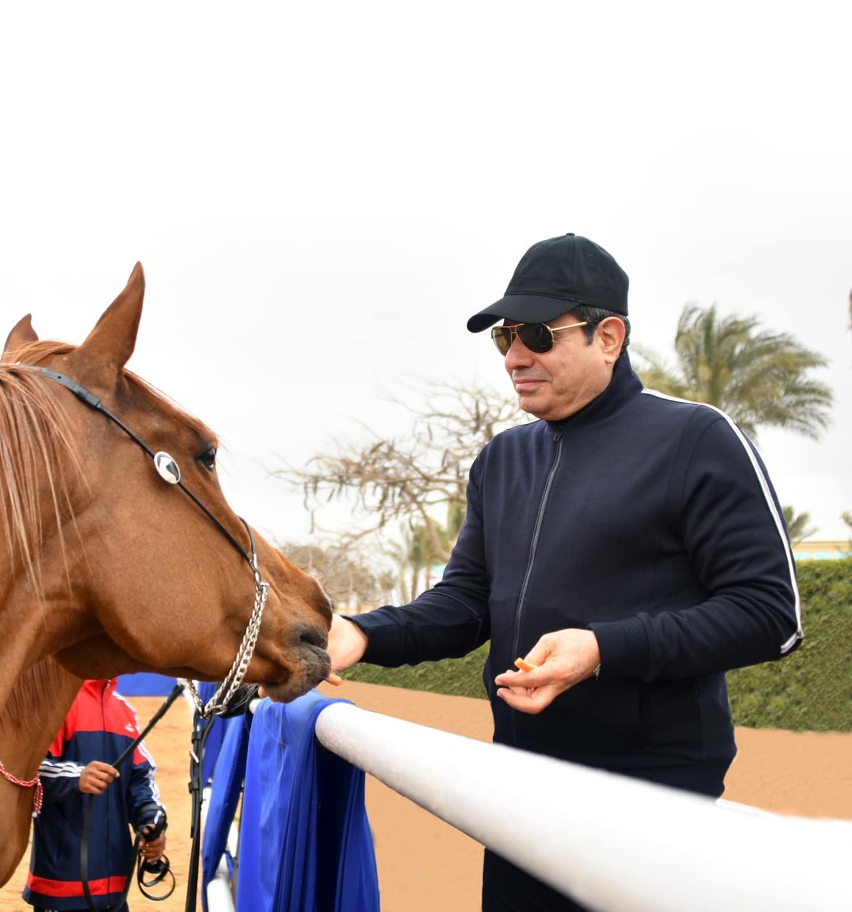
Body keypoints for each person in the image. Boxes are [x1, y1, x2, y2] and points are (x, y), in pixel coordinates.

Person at [326, 232, 803, 911]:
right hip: (518, 797)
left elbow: (770, 615)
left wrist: (603, 648)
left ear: (609, 336)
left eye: (538, 336)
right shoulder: (501, 461)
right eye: (504, 338)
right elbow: (466, 605)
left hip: (650, 806)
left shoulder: (697, 440)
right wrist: (360, 633)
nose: (515, 356)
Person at [23, 678, 168, 912]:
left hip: (115, 893)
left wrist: (151, 823)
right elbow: (27, 768)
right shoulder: (57, 703)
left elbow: (140, 780)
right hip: (60, 890)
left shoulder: (125, 711)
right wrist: (76, 777)